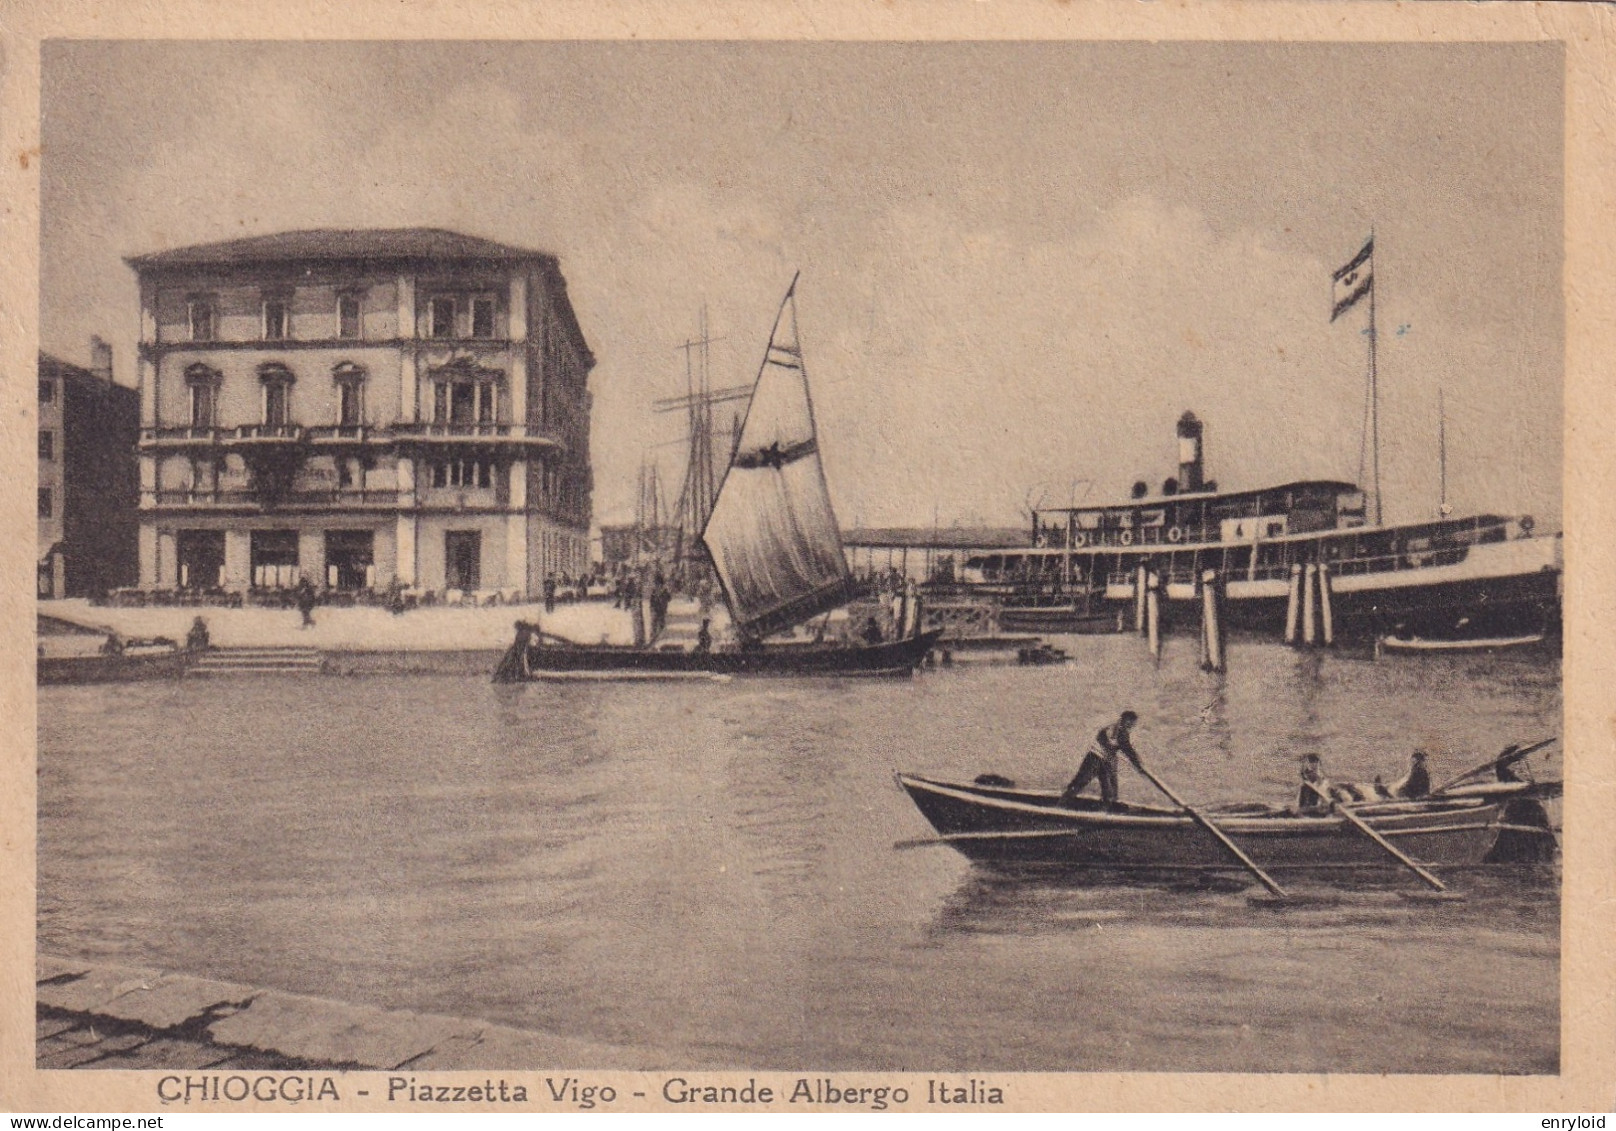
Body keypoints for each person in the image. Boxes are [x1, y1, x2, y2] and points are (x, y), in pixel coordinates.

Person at [1061, 710, 1141, 808]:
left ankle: (1107, 811)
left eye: (1132, 725)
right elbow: (1126, 748)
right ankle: (1061, 805)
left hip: (1106, 760)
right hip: (1094, 758)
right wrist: (1138, 764)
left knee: (1110, 790)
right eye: (1129, 724)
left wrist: (1137, 762)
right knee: (1081, 781)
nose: (1130, 727)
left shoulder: (1120, 730)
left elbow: (1124, 747)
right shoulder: (1116, 730)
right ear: (1123, 720)